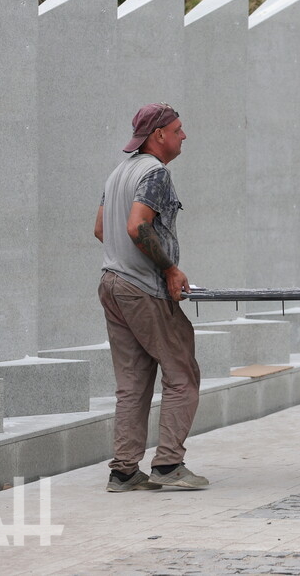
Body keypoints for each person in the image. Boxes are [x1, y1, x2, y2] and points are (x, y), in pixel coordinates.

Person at [94, 102, 209, 491]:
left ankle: (124, 471)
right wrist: (169, 269)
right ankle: (168, 464)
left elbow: (101, 229)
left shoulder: (118, 173)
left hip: (112, 283)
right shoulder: (155, 173)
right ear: (158, 135)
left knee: (132, 381)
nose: (183, 135)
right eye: (178, 130)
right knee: (182, 374)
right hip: (142, 287)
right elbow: (136, 226)